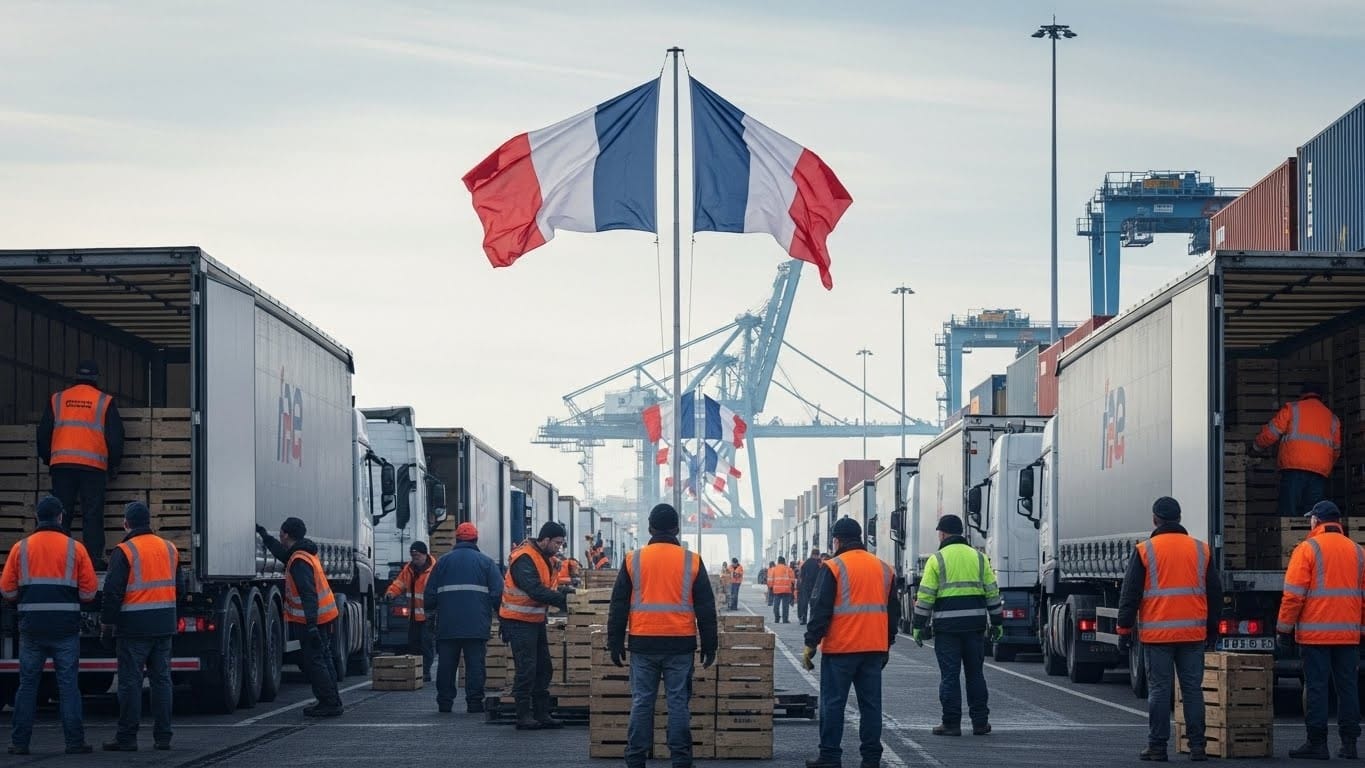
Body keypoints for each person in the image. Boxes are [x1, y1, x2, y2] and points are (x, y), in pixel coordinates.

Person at [607, 504, 718, 768]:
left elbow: (618, 604)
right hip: (680, 643)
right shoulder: (692, 560)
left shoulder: (633, 559)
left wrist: (615, 642)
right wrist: (710, 644)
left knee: (642, 702)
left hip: (643, 642)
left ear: (650, 528)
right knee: (678, 702)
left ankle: (635, 759)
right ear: (677, 528)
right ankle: (680, 759)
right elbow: (706, 607)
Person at [1116, 497, 1221, 762]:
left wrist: (1124, 630)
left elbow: (1130, 594)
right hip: (1192, 634)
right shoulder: (1201, 550)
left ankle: (1157, 747)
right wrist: (1212, 631)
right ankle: (1198, 747)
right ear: (1179, 518)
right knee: (1192, 689)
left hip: (1158, 635)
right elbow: (1215, 594)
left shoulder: (1145, 550)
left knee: (1159, 690)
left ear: (1155, 520)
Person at [1, 496, 97, 755]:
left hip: (32, 629)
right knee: (68, 686)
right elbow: (89, 593)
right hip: (65, 629)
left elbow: (7, 591)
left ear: (36, 518)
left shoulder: (20, 548)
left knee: (27, 685)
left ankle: (20, 743)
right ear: (61, 517)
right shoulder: (75, 549)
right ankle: (74, 742)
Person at [802, 517, 899, 768]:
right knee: (871, 706)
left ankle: (830, 756)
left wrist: (811, 643)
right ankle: (871, 759)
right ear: (860, 538)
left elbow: (820, 608)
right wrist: (887, 644)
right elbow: (893, 612)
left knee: (833, 704)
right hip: (874, 649)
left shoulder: (833, 566)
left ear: (836, 540)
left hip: (841, 649)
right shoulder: (884, 568)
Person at [1278, 500, 1365, 760]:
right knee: (1348, 687)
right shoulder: (1358, 551)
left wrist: (1284, 629)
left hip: (1315, 635)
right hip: (1348, 634)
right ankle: (1350, 743)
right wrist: (1360, 630)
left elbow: (1293, 596)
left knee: (1316, 687)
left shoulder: (1307, 549)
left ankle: (1317, 743)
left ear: (1316, 520)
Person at [911, 514, 1002, 738]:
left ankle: (951, 724)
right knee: (975, 675)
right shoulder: (980, 558)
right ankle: (980, 723)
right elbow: (992, 592)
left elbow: (926, 597)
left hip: (947, 630)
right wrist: (997, 622)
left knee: (950, 676)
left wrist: (918, 625)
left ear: (942, 534)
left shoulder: (937, 559)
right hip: (974, 628)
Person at [99, 501, 178, 752]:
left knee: (130, 683)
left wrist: (107, 625)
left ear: (126, 524)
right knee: (161, 681)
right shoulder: (169, 548)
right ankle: (163, 737)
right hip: (164, 625)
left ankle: (127, 737)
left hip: (133, 628)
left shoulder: (124, 551)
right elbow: (178, 586)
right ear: (149, 522)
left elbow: (112, 592)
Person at [37, 359, 125, 569]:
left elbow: (43, 434)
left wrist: (48, 459)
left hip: (62, 466)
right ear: (96, 378)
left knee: (61, 514)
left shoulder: (58, 399)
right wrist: (113, 465)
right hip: (93, 467)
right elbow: (116, 437)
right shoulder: (104, 401)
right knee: (92, 514)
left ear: (76, 376)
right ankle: (93, 560)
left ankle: (59, 560)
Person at [257, 517, 343, 717]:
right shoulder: (302, 554)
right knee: (323, 658)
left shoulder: (299, 561)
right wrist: (265, 536)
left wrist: (311, 625)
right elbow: (281, 553)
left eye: (281, 532)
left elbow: (308, 593)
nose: (280, 535)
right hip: (323, 617)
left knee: (315, 661)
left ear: (286, 534)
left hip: (312, 620)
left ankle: (329, 702)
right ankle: (332, 700)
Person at [425, 522, 503, 714]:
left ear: (457, 539)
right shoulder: (486, 563)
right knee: (475, 666)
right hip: (476, 626)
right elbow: (498, 595)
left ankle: (445, 704)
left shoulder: (442, 562)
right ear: (476, 540)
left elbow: (429, 597)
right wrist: (502, 618)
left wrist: (434, 612)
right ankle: (474, 703)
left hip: (448, 625)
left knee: (446, 666)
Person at [500, 522, 572, 730]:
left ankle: (541, 713)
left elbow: (547, 588)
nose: (559, 547)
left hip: (535, 620)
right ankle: (523, 715)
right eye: (557, 543)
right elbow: (534, 589)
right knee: (527, 668)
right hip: (518, 621)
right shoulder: (524, 557)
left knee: (543, 667)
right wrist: (564, 601)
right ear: (545, 539)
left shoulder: (546, 559)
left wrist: (568, 594)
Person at [1256, 383, 1341, 517]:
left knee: (1288, 513)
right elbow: (1336, 450)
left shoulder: (1292, 409)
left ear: (1302, 395)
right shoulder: (1332, 418)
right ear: (1321, 397)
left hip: (1293, 467)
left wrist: (1257, 447)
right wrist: (1325, 465)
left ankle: (1288, 530)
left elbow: (1271, 433)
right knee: (1313, 515)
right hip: (1319, 472)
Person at [386, 541, 435, 681]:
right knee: (413, 644)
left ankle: (425, 672)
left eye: (417, 555)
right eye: (413, 555)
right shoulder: (409, 569)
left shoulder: (434, 570)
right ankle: (416, 671)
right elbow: (399, 583)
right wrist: (391, 593)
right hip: (414, 615)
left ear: (425, 555)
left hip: (428, 615)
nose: (415, 558)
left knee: (426, 644)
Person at [798, 548, 822, 625]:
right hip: (815, 586)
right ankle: (812, 618)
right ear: (818, 555)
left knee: (804, 602)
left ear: (811, 554)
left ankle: (803, 618)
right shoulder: (819, 564)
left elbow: (801, 575)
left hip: (805, 585)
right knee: (813, 603)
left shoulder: (806, 563)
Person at [769, 556, 795, 624]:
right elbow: (792, 580)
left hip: (777, 590)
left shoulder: (774, 569)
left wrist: (771, 587)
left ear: (778, 562)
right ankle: (785, 620)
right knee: (785, 606)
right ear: (784, 562)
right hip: (786, 590)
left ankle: (777, 618)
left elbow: (770, 579)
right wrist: (792, 589)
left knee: (776, 605)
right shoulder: (788, 569)